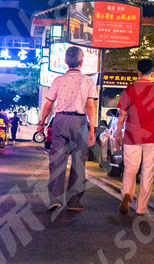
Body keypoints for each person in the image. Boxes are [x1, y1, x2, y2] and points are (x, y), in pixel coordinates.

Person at [37, 46, 97, 211]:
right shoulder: (88, 81)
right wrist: (92, 129)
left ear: (65, 62)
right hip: (80, 122)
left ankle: (54, 199)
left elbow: (48, 104)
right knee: (79, 162)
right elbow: (90, 106)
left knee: (57, 161)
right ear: (81, 62)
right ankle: (74, 200)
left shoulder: (58, 80)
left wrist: (42, 122)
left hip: (60, 121)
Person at [114, 59, 154, 215]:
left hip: (132, 135)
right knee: (148, 171)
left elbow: (122, 114)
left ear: (138, 72)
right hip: (153, 136)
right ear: (153, 73)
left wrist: (118, 133)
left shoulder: (130, 89)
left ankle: (127, 193)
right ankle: (141, 208)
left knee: (131, 168)